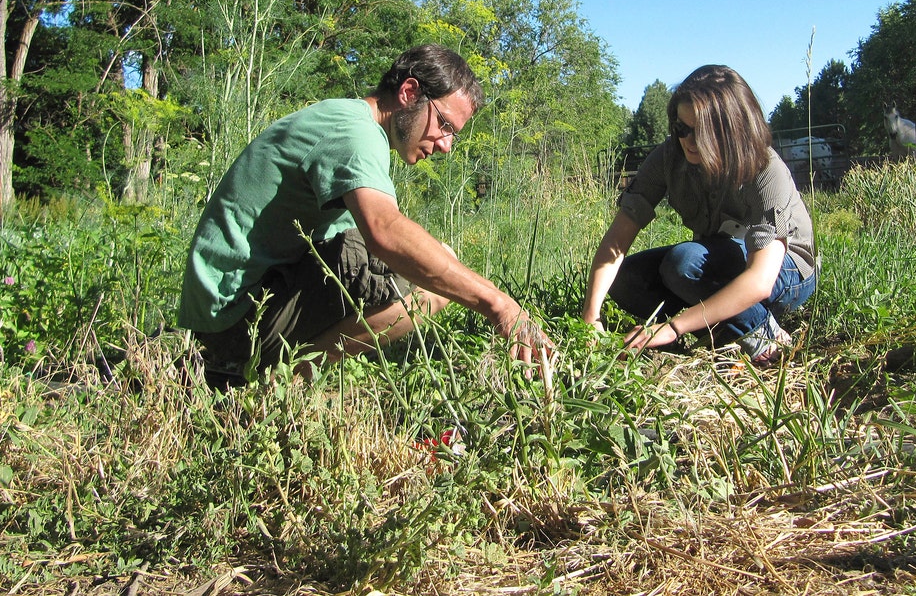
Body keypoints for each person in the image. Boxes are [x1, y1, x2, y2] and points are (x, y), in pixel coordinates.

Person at [179, 44, 554, 389]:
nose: (445, 145)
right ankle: (275, 386)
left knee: (427, 264)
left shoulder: (346, 119)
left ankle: (277, 375)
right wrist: (499, 304)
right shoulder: (355, 133)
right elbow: (384, 232)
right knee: (430, 286)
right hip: (233, 319)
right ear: (409, 92)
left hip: (228, 308)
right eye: (444, 125)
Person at [580, 65, 817, 363]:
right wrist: (591, 315)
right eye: (682, 128)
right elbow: (618, 239)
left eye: (703, 131)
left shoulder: (764, 169)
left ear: (733, 129)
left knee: (684, 264)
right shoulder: (669, 158)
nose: (689, 141)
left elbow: (760, 280)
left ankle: (764, 335)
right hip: (719, 258)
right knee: (625, 278)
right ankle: (716, 325)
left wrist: (673, 328)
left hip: (786, 270)